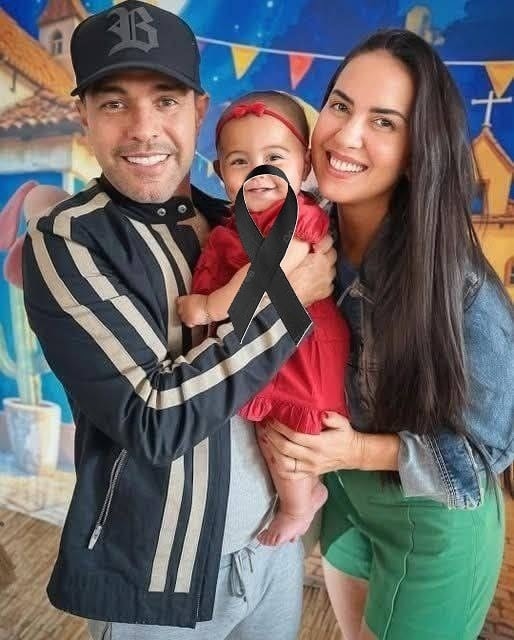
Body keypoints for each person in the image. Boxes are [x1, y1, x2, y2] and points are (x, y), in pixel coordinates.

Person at [20, 2, 336, 639]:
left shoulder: (233, 222)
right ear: (84, 116)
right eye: (114, 103)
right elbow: (154, 419)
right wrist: (285, 303)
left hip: (269, 550)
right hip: (160, 573)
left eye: (165, 100)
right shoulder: (69, 241)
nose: (143, 129)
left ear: (198, 110)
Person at [261, 29, 514, 640]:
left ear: (416, 151)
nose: (346, 136)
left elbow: (484, 456)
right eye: (341, 105)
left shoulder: (460, 288)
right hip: (346, 499)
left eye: (384, 122)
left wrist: (353, 450)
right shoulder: (302, 232)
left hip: (434, 521)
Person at [176, 91, 350, 546]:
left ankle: (300, 504)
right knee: (267, 430)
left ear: (304, 165)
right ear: (220, 173)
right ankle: (296, 495)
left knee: (290, 435)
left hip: (305, 348)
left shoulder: (297, 217)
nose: (259, 172)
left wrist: (209, 307)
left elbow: (263, 271)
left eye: (274, 157)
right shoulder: (234, 223)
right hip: (274, 344)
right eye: (240, 161)